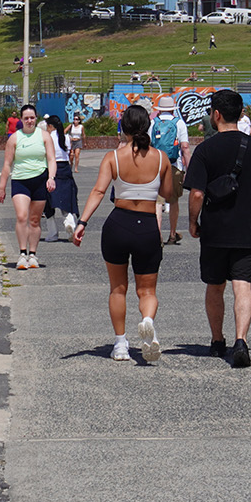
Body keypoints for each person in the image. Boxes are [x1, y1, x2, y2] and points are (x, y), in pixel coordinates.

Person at [183, 90, 251, 368]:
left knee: (215, 286)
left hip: (215, 230)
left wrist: (192, 222)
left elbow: (197, 193)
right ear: (241, 112)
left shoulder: (205, 150)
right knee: (243, 285)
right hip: (248, 228)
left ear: (216, 115)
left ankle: (216, 341)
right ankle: (241, 340)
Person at [72, 104, 172, 362]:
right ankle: (147, 320)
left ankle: (120, 345)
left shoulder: (113, 158)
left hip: (118, 225)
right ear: (147, 127)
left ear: (124, 127)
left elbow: (98, 192)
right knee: (147, 292)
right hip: (147, 226)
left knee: (118, 289)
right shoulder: (161, 158)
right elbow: (169, 193)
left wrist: (82, 222)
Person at [0, 104, 57, 270]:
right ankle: (22, 253)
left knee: (35, 220)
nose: (29, 121)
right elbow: (7, 165)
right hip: (20, 180)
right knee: (22, 216)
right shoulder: (14, 138)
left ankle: (33, 254)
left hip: (39, 180)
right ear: (21, 120)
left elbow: (51, 159)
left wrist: (51, 178)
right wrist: (2, 187)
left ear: (36, 118)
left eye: (32, 117)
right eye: (26, 118)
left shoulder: (44, 136)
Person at [152, 95, 192, 245]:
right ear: (172, 109)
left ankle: (157, 235)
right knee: (173, 201)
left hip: (156, 166)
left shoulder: (153, 123)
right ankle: (173, 234)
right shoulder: (179, 123)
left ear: (160, 110)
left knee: (158, 202)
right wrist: (189, 168)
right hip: (175, 166)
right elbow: (185, 147)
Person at [42, 115, 79, 240]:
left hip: (52, 169)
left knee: (48, 202)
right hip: (65, 169)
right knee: (66, 201)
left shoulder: (48, 137)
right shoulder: (66, 138)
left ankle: (52, 233)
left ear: (50, 126)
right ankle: (70, 224)